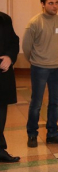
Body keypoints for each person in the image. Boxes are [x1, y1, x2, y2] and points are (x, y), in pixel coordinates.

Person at [23, 0, 58, 148]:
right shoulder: (35, 23)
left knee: (55, 102)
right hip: (39, 68)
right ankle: (32, 134)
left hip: (57, 68)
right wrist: (36, 60)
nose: (55, 6)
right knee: (36, 103)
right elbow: (26, 47)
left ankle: (52, 134)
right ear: (43, 4)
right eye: (51, 3)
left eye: (56, 3)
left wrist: (54, 57)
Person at [0, 11, 20, 163]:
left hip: (2, 73)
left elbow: (14, 41)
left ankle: (0, 150)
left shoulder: (4, 19)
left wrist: (9, 57)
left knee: (1, 113)